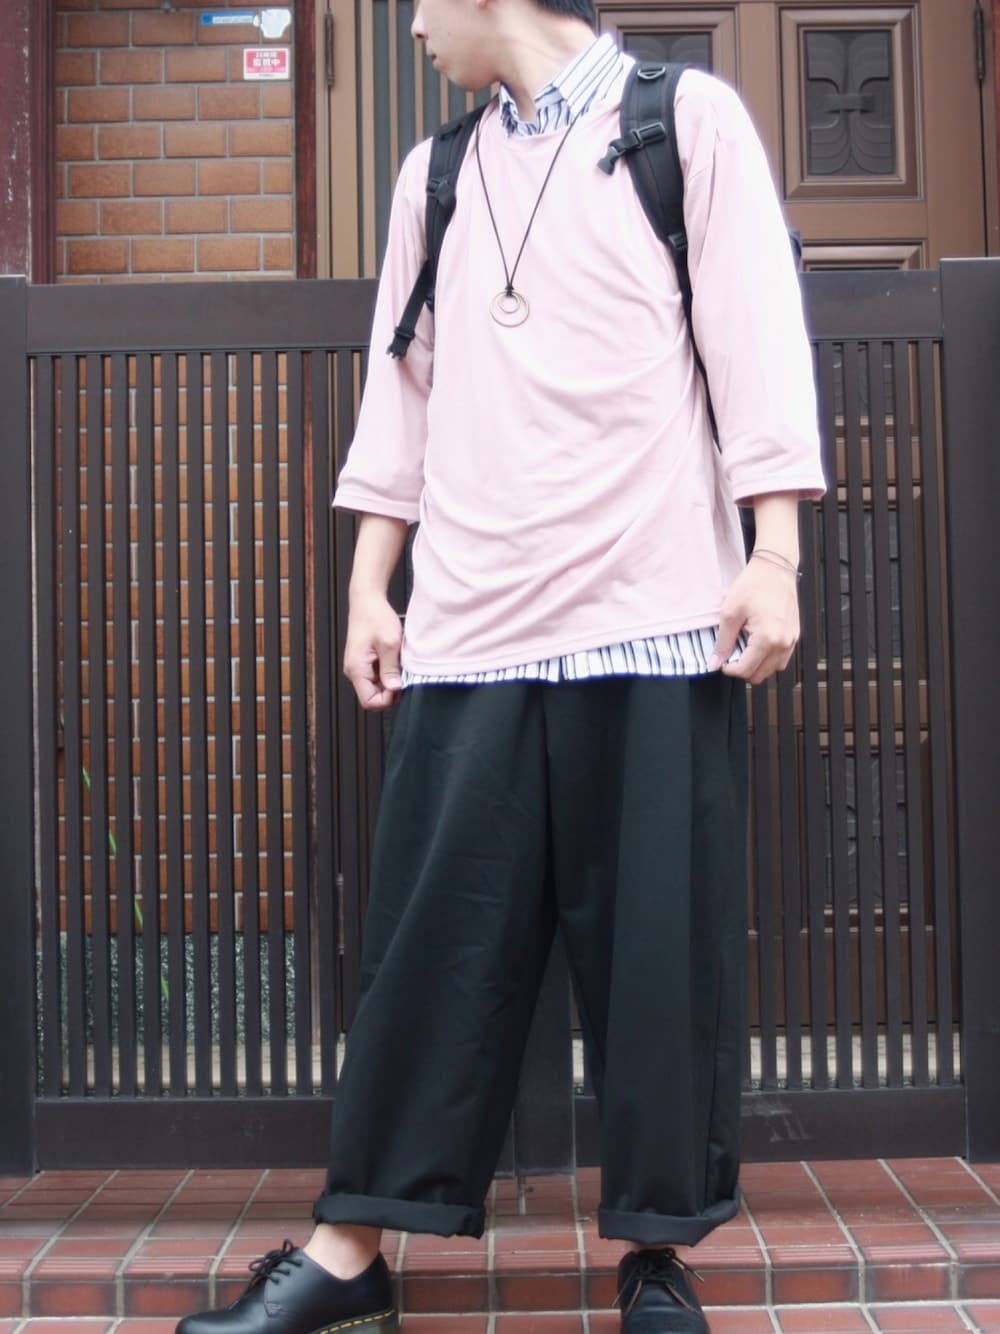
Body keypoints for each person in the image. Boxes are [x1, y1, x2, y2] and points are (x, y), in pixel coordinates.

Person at [177, 1, 825, 1331]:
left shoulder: (682, 124)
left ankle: (656, 1255)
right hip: (471, 628)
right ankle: (351, 1248)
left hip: (655, 616)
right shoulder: (437, 174)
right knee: (431, 950)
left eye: (427, 1)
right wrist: (368, 584)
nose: (415, 24)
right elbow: (401, 388)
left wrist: (776, 554)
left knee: (659, 958)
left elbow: (756, 339)